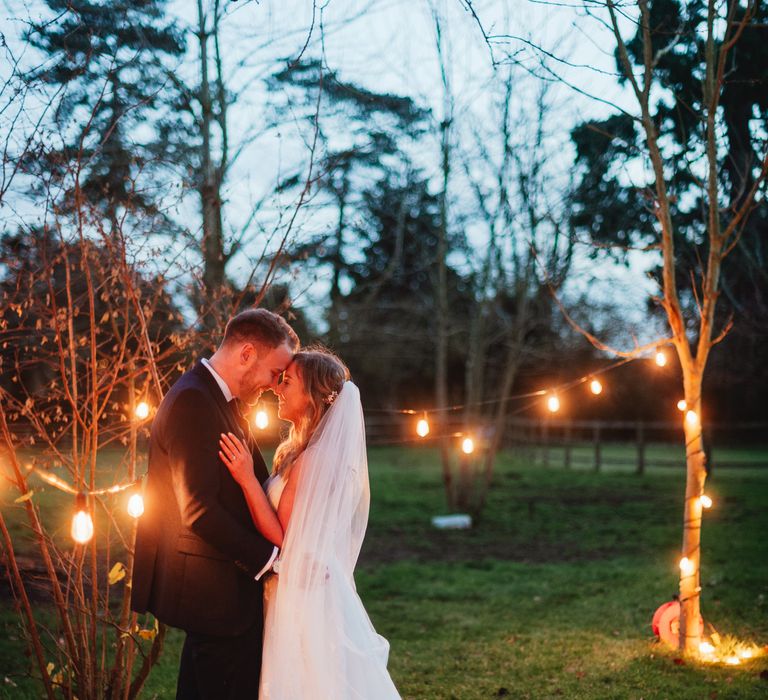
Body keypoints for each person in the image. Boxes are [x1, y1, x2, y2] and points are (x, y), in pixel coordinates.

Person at [131, 308, 299, 700]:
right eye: (275, 373)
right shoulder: (194, 400)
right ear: (246, 354)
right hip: (213, 593)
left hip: (220, 588)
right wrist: (271, 560)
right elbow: (199, 510)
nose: (275, 386)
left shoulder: (216, 398)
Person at [218, 348, 401, 699]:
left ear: (313, 396)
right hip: (307, 579)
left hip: (303, 591)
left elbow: (282, 536)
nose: (278, 389)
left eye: (288, 382)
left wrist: (246, 479)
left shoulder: (314, 460)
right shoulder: (307, 452)